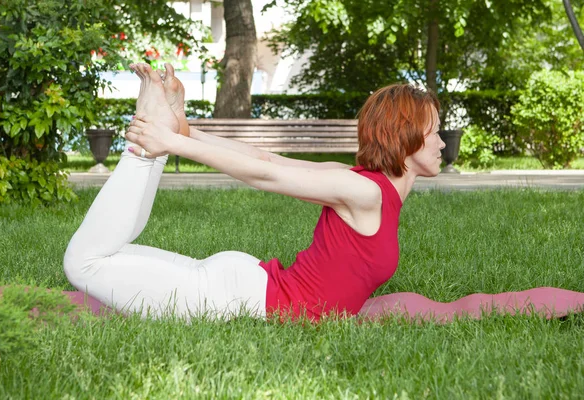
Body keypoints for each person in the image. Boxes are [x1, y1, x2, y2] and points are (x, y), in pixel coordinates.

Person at [63, 63, 445, 321]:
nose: (442, 143)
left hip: (245, 286)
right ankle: (146, 145)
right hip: (237, 299)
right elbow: (265, 174)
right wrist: (174, 142)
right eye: (435, 133)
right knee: (84, 263)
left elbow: (268, 159)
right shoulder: (365, 191)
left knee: (106, 256)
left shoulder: (361, 186)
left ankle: (156, 134)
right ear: (408, 138)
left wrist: (185, 132)